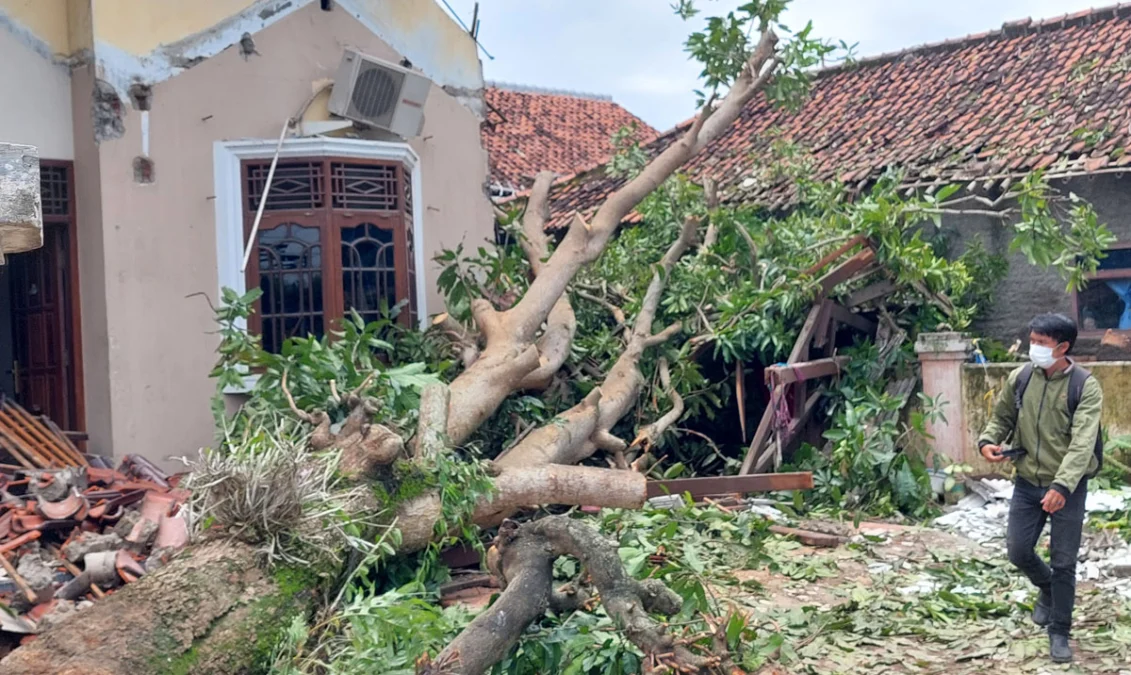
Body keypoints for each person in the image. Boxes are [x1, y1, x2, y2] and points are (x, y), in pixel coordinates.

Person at [978, 313, 1103, 664]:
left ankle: (1060, 631)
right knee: (1018, 551)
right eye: (1032, 340)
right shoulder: (1021, 378)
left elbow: (1082, 443)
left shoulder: (1084, 386)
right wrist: (989, 441)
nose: (1034, 348)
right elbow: (1002, 416)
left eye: (1042, 344)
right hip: (1027, 482)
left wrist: (1062, 485)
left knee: (1064, 563)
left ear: (1063, 347)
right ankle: (1047, 589)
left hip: (1067, 488)